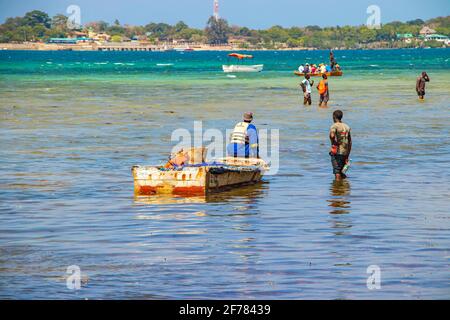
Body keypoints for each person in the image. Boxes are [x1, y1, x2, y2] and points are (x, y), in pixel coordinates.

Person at [329, 110, 352, 180]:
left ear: (333, 117)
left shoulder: (334, 126)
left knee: (337, 172)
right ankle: (344, 186)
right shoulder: (347, 126)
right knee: (341, 171)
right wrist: (347, 155)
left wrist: (333, 142)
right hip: (345, 152)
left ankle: (337, 188)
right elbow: (350, 142)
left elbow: (332, 136)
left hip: (337, 151)